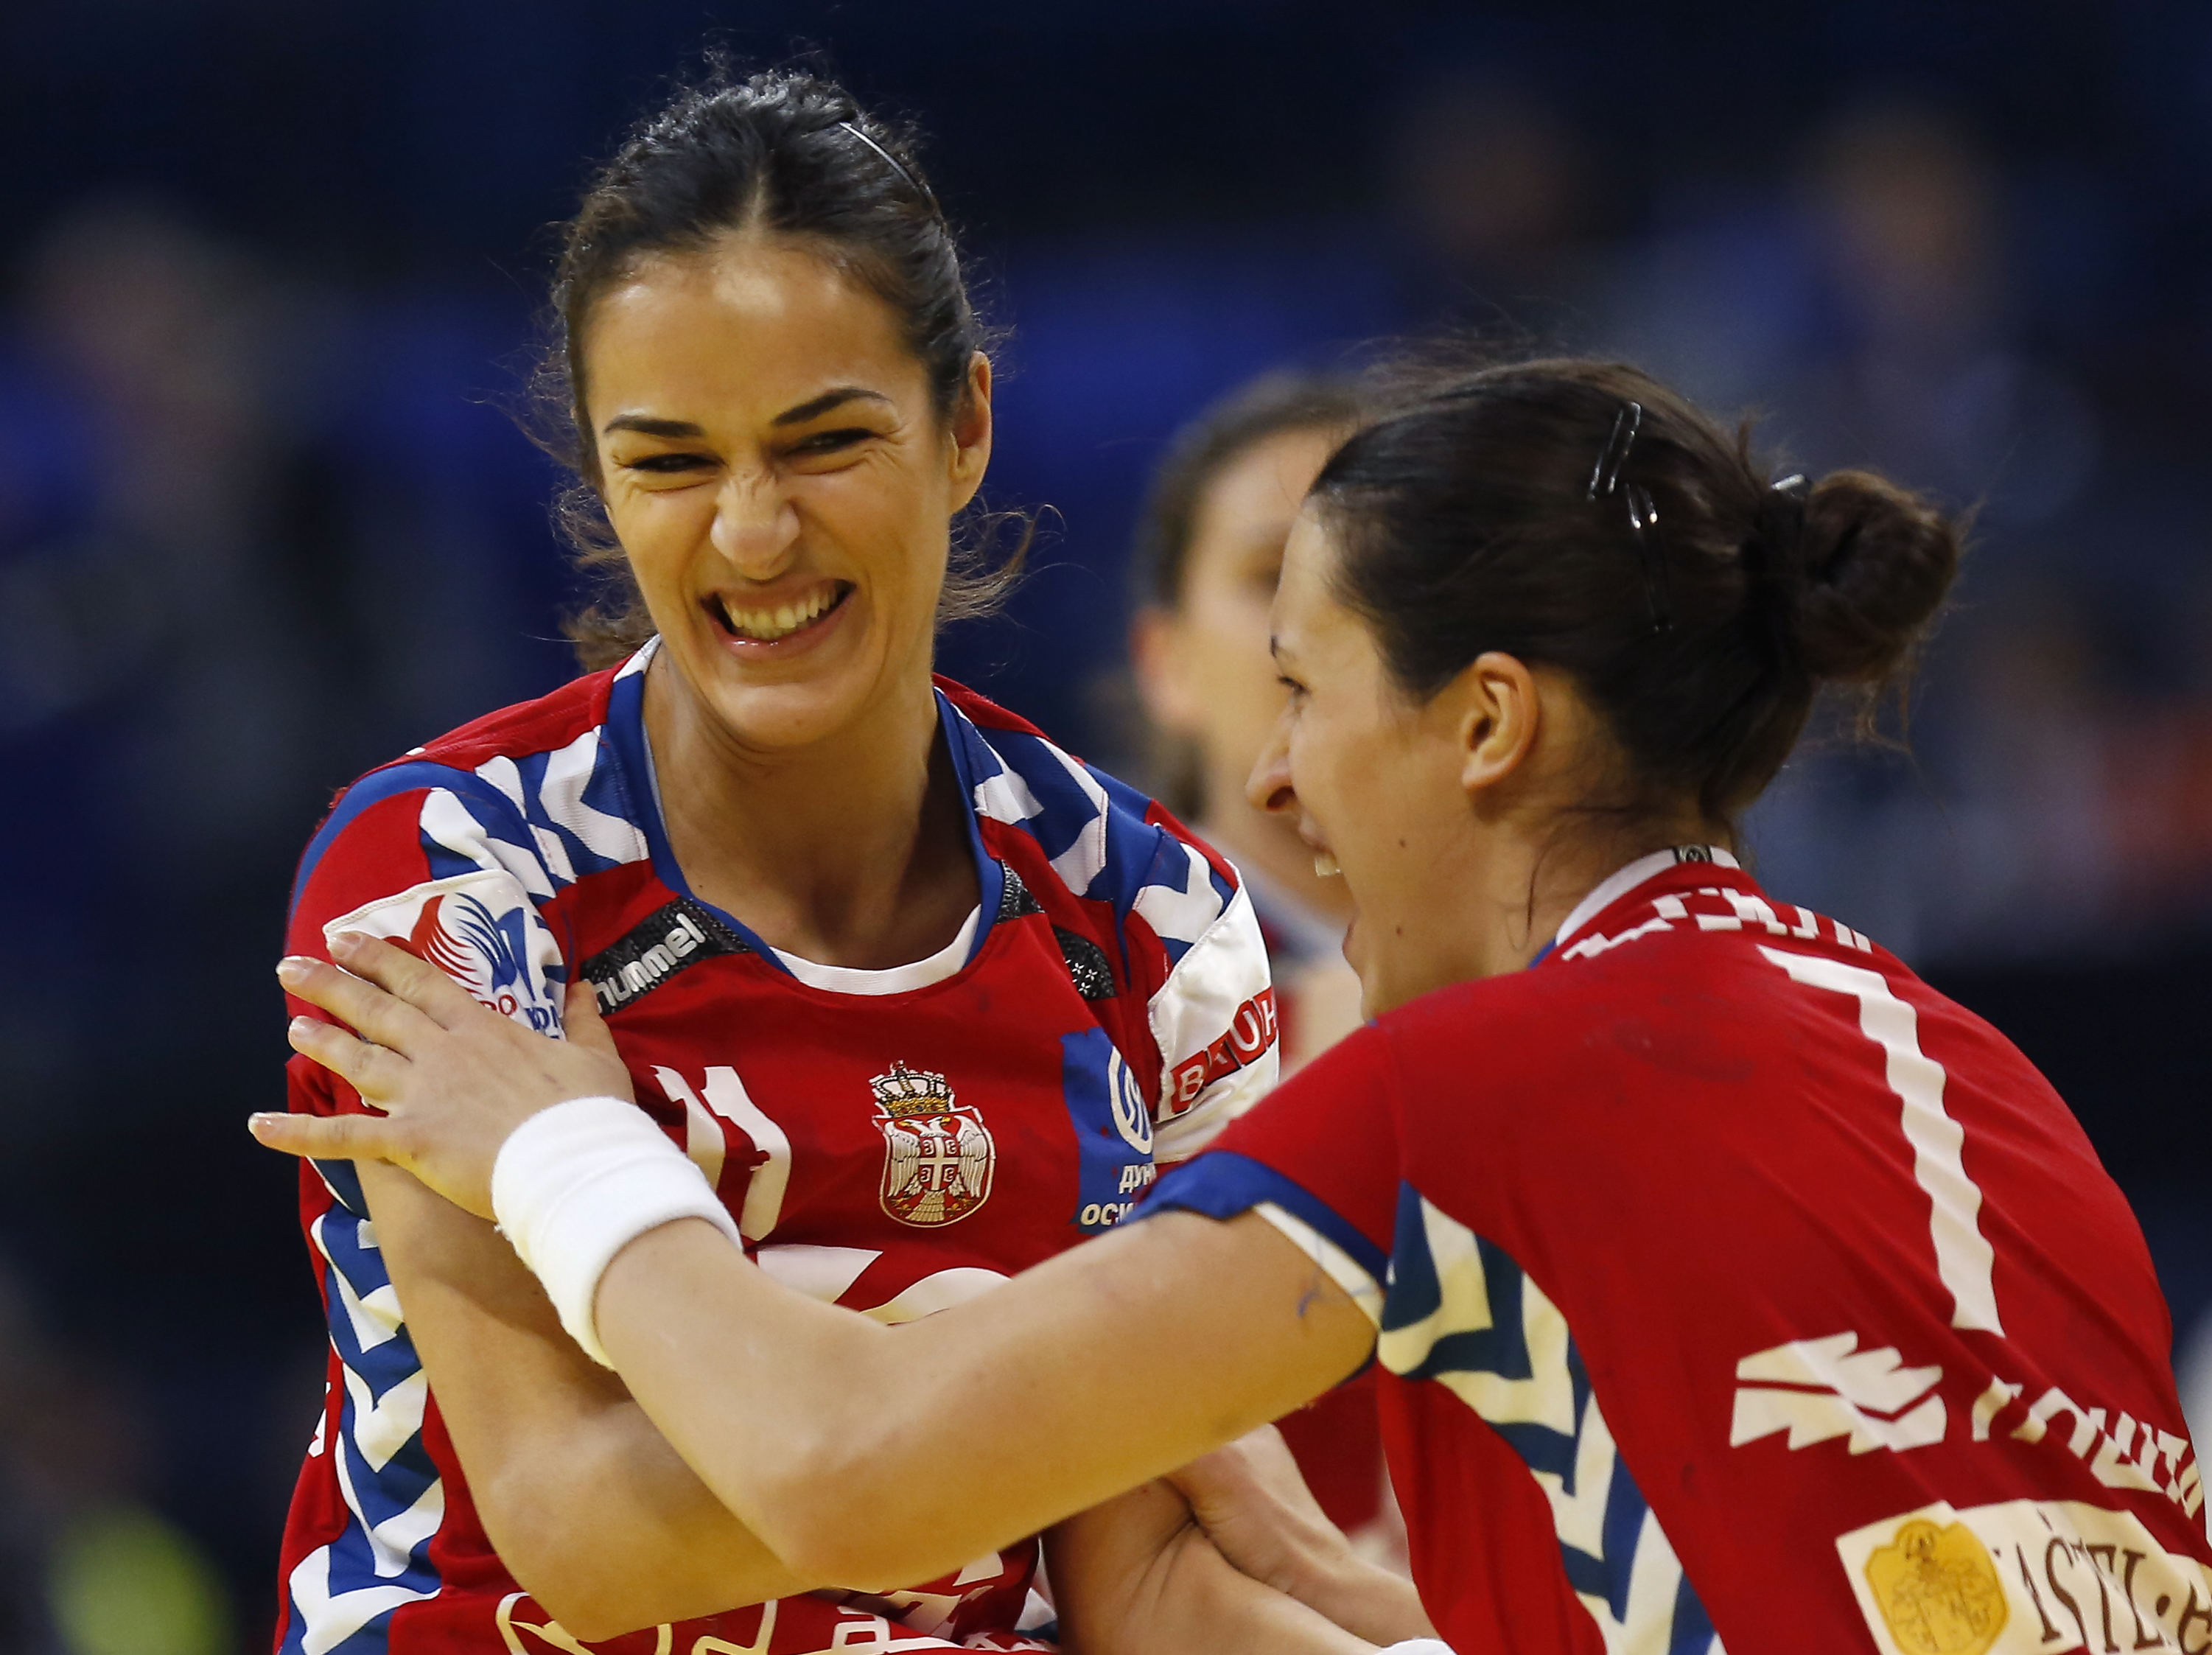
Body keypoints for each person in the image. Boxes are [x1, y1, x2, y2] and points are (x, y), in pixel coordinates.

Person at [258, 357, 2212, 1652]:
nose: (1272, 781)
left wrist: (560, 1145)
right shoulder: (1977, 1072)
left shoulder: (1468, 1088)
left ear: (1486, 723)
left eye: (1306, 692)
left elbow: (842, 1467)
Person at [256, 63, 1396, 1655]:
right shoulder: (453, 867)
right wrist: (1070, 1382)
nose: (752, 532)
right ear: (595, 475)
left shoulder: (1153, 918)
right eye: (670, 461)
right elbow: (584, 1531)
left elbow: (1147, 1576)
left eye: (823, 442)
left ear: (964, 427)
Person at [1127, 372, 1393, 1545]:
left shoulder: (1582, 983)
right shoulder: (1074, 994)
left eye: (1382, 567)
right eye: (1267, 571)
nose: (1321, 620)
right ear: (1167, 662)